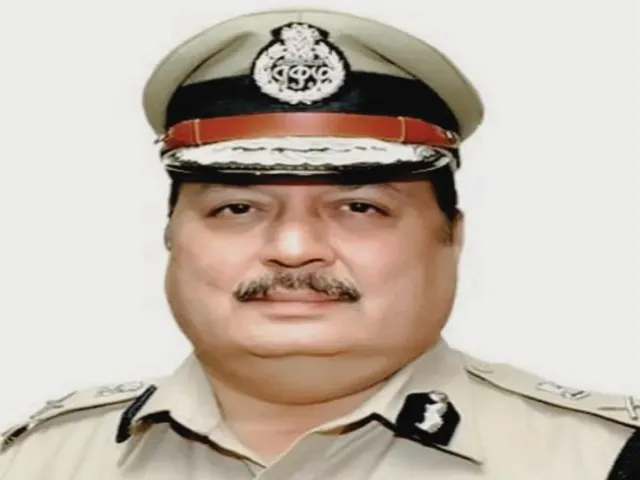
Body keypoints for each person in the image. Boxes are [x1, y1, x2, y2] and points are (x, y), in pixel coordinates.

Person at [0, 8, 637, 479]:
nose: (294, 246)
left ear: (452, 237)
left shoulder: (603, 461)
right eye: (237, 208)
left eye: (360, 207)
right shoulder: (35, 463)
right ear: (170, 235)